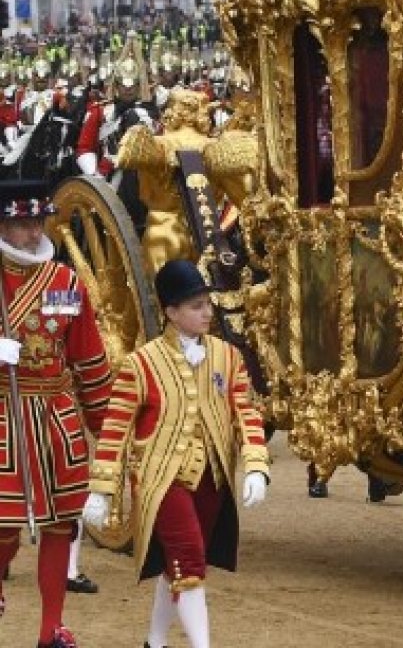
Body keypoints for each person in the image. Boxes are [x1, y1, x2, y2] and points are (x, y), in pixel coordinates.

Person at [83, 259, 270, 648]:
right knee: (189, 560)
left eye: (207, 303)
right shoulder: (140, 364)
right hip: (160, 477)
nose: (206, 312)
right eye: (195, 306)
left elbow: (246, 413)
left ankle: (154, 641)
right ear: (171, 312)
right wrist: (101, 489)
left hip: (212, 478)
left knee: (179, 566)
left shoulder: (227, 357)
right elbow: (115, 429)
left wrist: (256, 465)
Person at [0, 177, 112, 648]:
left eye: (35, 222)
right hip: (4, 412)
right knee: (3, 524)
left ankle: (52, 628)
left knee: (60, 524)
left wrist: (107, 429)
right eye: (19, 224)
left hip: (55, 417)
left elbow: (87, 356)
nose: (31, 233)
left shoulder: (65, 282)